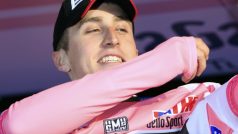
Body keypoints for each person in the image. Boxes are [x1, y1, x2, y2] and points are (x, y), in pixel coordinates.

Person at [0, 0, 237, 134]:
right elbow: (17, 126)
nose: (112, 38)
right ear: (61, 59)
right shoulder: (44, 124)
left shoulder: (193, 100)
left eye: (122, 29)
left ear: (136, 52)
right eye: (93, 29)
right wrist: (161, 63)